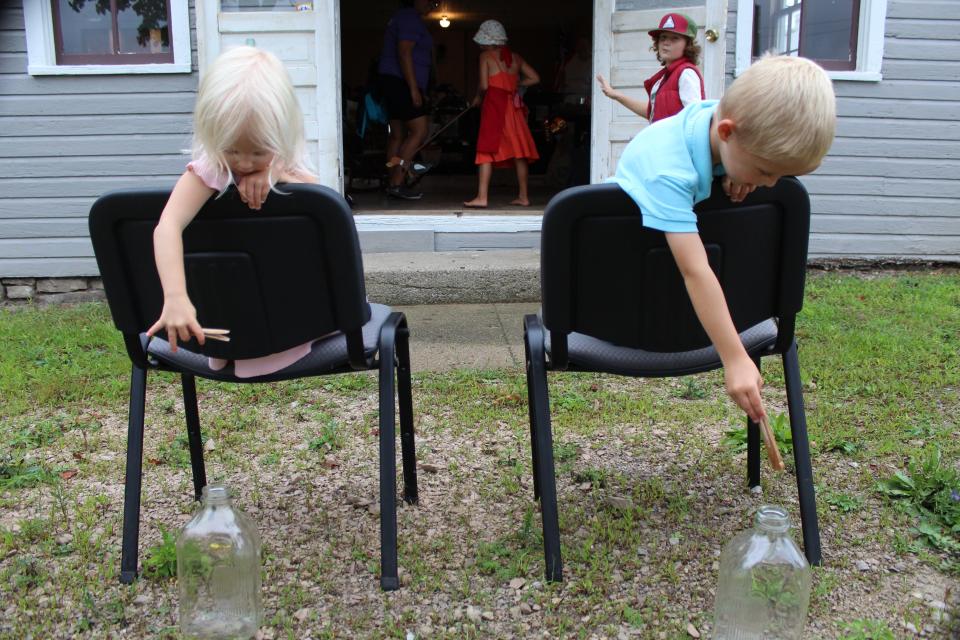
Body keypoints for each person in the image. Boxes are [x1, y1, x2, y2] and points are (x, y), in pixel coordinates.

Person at [608, 55, 836, 422]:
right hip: (638, 312)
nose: (770, 186)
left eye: (782, 176)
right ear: (726, 133)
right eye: (765, 171)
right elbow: (696, 271)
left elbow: (744, 153)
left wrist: (726, 170)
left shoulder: (735, 137)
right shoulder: (665, 170)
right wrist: (734, 358)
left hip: (681, 313)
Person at [147, 46, 319, 378]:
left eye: (259, 151)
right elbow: (167, 225)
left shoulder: (286, 167)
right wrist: (175, 298)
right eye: (231, 149)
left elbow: (322, 209)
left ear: (282, 136)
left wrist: (277, 175)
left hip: (277, 311)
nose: (242, 162)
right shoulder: (209, 170)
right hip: (245, 319)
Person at [464, 20, 540, 208]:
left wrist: (477, 98)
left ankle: (482, 197)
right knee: (519, 151)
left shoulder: (486, 56)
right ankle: (523, 196)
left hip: (495, 106)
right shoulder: (516, 57)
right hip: (513, 108)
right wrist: (517, 84)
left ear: (490, 41)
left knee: (486, 149)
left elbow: (484, 85)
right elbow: (535, 78)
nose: (479, 44)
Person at [596, 12, 704, 122]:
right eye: (663, 37)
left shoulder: (686, 74)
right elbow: (653, 112)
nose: (666, 42)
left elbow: (695, 118)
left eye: (674, 38)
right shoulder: (664, 78)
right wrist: (617, 95)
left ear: (688, 45)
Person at [378, 0, 436, 200]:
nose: (433, 6)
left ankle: (392, 180)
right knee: (420, 130)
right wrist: (413, 89)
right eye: (431, 1)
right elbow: (404, 53)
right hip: (400, 82)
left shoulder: (401, 17)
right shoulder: (410, 18)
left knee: (397, 135)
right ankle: (396, 182)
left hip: (392, 81)